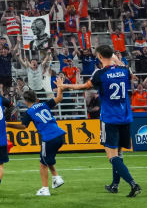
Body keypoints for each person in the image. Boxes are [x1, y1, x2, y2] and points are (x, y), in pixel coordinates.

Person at [57, 44, 141, 197]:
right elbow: (129, 73)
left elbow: (84, 87)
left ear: (100, 57)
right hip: (125, 117)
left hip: (109, 118)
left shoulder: (100, 74)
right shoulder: (124, 70)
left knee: (112, 155)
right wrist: (114, 57)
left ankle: (133, 183)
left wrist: (64, 86)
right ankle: (115, 185)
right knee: (119, 153)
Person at [21, 89, 66, 196]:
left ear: (25, 101)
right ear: (36, 98)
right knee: (47, 158)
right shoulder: (44, 104)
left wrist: (7, 124)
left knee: (43, 163)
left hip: (49, 137)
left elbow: (23, 126)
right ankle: (56, 178)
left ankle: (45, 189)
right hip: (60, 135)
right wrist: (60, 87)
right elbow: (59, 98)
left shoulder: (29, 112)